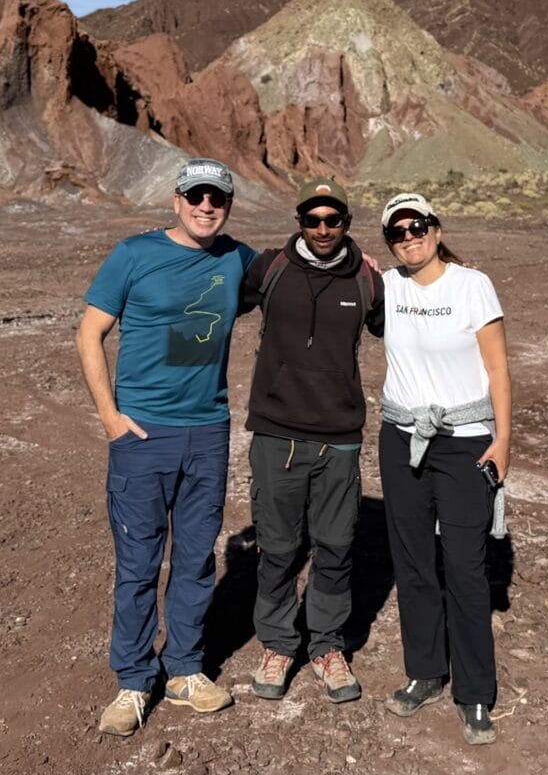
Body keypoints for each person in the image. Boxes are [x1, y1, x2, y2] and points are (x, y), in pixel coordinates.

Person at [77, 158, 256, 738]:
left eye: (217, 198)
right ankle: (134, 680)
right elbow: (89, 333)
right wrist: (110, 418)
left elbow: (300, 273)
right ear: (176, 200)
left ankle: (183, 670)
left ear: (228, 206)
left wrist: (360, 262)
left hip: (207, 433)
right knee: (138, 565)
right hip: (142, 436)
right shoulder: (133, 255)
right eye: (196, 196)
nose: (206, 206)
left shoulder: (238, 259)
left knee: (197, 559)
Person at [236, 177, 384, 704]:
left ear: (346, 223)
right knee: (278, 548)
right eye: (313, 220)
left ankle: (326, 645)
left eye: (333, 220)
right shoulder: (269, 268)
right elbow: (209, 299)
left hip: (339, 439)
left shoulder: (367, 280)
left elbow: (408, 329)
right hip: (276, 434)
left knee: (336, 547)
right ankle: (278, 643)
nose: (323, 229)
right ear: (299, 221)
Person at [373, 192, 511, 746]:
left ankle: (475, 692)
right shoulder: (386, 286)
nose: (409, 237)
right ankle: (425, 671)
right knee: (412, 561)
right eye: (397, 231)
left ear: (436, 228)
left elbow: (498, 368)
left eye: (418, 226)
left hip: (465, 441)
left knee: (465, 567)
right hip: (401, 437)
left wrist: (504, 440)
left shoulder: (472, 285)